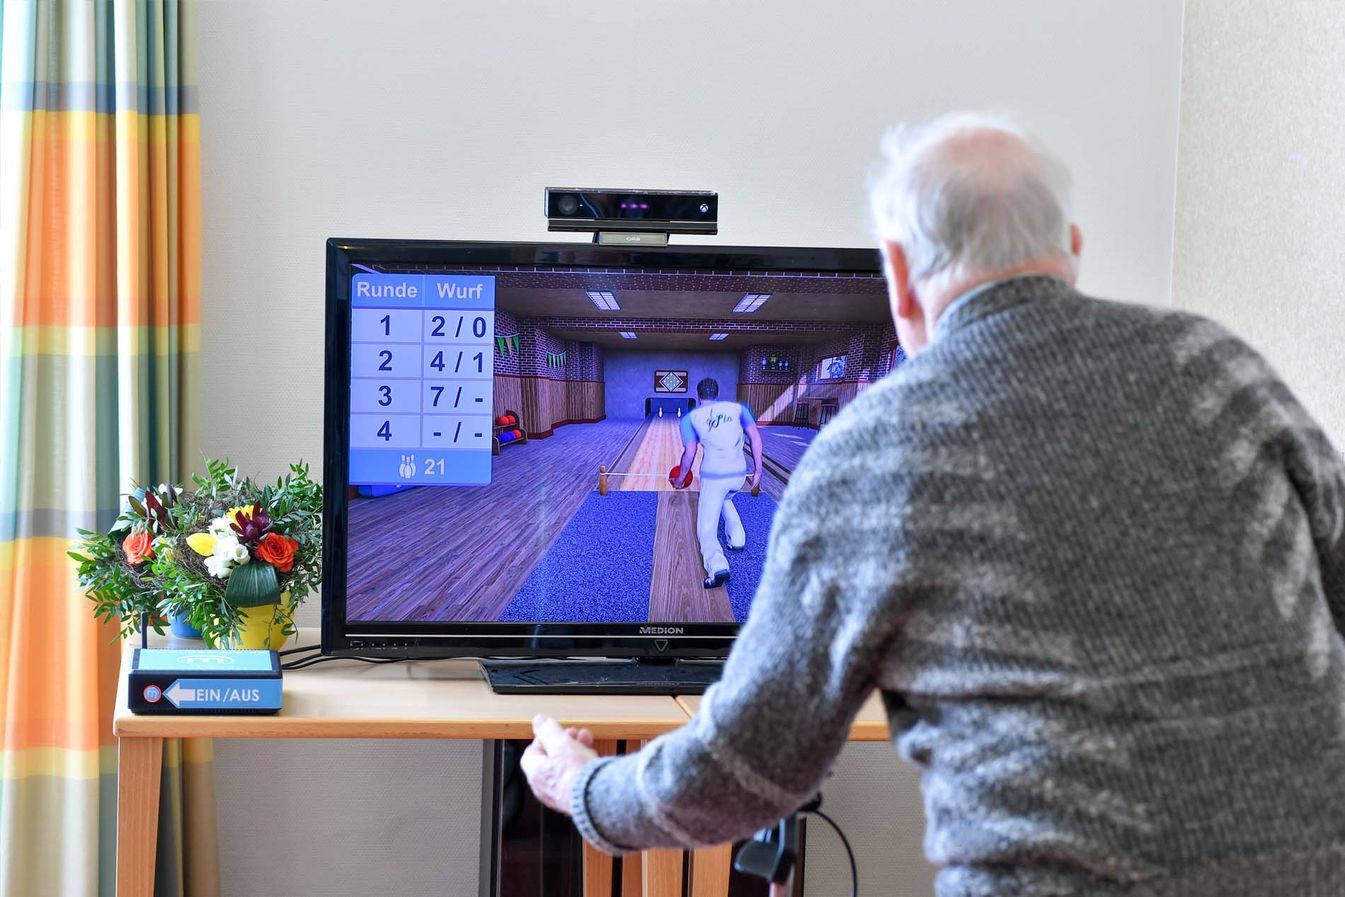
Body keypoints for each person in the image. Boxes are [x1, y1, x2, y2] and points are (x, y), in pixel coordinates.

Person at [521, 113, 1345, 897]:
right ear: (1074, 250)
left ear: (899, 272)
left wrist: (582, 785)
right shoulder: (1220, 369)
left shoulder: (872, 449)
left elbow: (748, 768)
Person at [672, 378, 763, 589]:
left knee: (706, 530)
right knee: (727, 500)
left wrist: (680, 478)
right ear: (717, 393)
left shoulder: (690, 418)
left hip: (714, 477)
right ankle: (738, 539)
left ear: (698, 394)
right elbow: (756, 439)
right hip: (739, 474)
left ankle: (717, 566)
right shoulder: (739, 409)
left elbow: (690, 452)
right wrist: (758, 470)